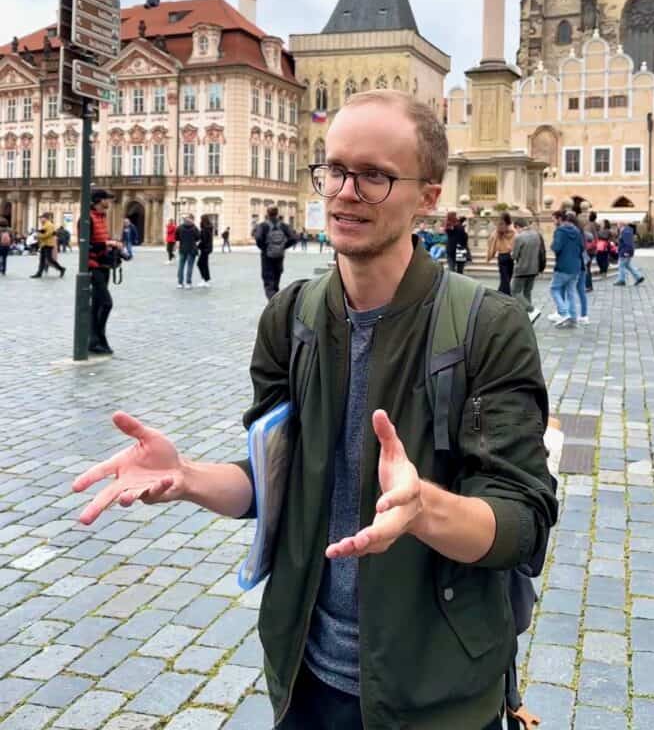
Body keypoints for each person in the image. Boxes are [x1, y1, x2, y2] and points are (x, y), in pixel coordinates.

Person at [72, 89, 557, 730]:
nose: (345, 191)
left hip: (437, 689)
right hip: (304, 676)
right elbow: (269, 481)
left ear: (429, 196)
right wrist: (188, 477)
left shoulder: (488, 328)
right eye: (334, 169)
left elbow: (522, 526)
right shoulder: (291, 317)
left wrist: (425, 510)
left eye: (375, 176)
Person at [86, 189, 121, 355]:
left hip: (103, 266)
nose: (110, 202)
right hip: (92, 266)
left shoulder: (102, 217)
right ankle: (98, 336)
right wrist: (109, 244)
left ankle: (95, 340)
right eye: (107, 199)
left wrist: (113, 248)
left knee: (98, 305)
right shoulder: (87, 219)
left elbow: (101, 242)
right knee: (106, 303)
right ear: (100, 200)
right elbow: (86, 246)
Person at [255, 205, 297, 299]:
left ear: (267, 213)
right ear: (277, 213)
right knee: (276, 280)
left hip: (267, 257)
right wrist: (283, 246)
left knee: (268, 282)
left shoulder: (263, 225)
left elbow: (258, 238)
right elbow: (294, 238)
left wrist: (264, 248)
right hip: (279, 256)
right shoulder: (283, 225)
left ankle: (273, 305)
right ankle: (276, 301)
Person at [548, 211, 581, 327]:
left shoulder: (560, 231)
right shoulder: (576, 230)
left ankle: (563, 313)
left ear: (559, 219)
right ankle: (573, 318)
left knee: (554, 288)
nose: (553, 222)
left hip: (563, 266)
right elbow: (582, 247)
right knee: (571, 292)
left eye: (553, 219)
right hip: (576, 266)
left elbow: (556, 247)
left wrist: (551, 245)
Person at [511, 217, 545, 315]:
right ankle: (528, 315)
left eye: (516, 229)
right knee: (527, 292)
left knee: (515, 291)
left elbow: (514, 255)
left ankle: (531, 310)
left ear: (518, 226)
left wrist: (511, 253)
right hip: (534, 268)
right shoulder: (536, 235)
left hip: (522, 269)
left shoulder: (519, 237)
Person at [30, 212, 66, 279]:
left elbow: (48, 234)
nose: (40, 219)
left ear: (45, 218)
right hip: (44, 244)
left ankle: (61, 269)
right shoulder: (45, 225)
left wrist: (38, 236)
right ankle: (39, 273)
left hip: (48, 244)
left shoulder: (49, 225)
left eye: (41, 218)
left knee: (50, 259)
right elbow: (43, 232)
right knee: (42, 259)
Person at [487, 212, 515, 295]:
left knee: (504, 278)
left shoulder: (497, 231)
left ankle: (504, 295)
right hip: (511, 256)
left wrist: (489, 256)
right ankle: (501, 294)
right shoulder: (513, 231)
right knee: (508, 278)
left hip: (502, 255)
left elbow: (491, 242)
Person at [615, 222, 645, 287]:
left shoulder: (626, 232)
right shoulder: (626, 231)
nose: (617, 226)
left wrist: (627, 252)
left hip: (625, 252)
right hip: (626, 251)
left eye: (618, 225)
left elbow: (628, 244)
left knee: (621, 266)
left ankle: (622, 280)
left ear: (622, 225)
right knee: (628, 265)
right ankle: (639, 277)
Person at [175, 214, 201, 289]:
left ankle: (180, 283)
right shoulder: (194, 228)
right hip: (192, 249)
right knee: (190, 267)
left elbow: (177, 238)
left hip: (182, 249)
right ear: (192, 220)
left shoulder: (179, 227)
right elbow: (198, 238)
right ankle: (188, 283)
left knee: (181, 266)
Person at [197, 215, 214, 286]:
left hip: (205, 249)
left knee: (200, 264)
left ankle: (205, 280)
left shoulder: (205, 229)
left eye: (201, 219)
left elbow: (204, 240)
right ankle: (205, 279)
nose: (200, 220)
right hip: (206, 248)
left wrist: (197, 246)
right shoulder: (207, 228)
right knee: (203, 264)